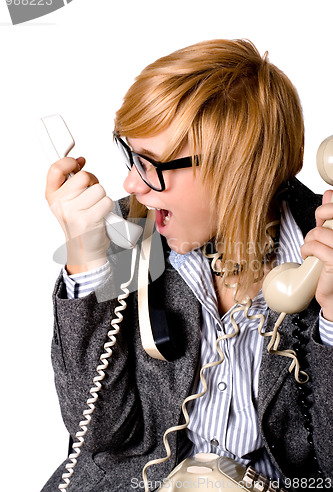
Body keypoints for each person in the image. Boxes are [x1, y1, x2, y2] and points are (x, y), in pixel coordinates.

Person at [42, 39, 333, 492]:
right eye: (130, 155)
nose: (130, 183)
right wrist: (87, 260)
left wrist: (332, 315)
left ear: (234, 169)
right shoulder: (125, 232)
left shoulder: (324, 254)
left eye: (151, 165)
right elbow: (98, 436)